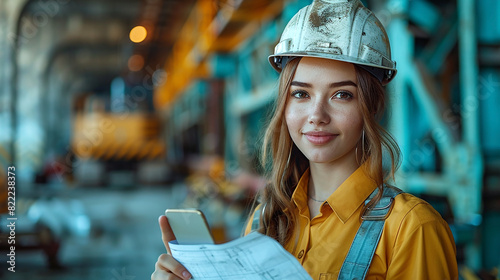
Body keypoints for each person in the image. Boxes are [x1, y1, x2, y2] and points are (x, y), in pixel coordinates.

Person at [152, 0, 458, 279]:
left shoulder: (412, 229)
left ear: (372, 106)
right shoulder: (265, 220)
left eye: (342, 95)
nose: (317, 115)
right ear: (285, 104)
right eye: (301, 94)